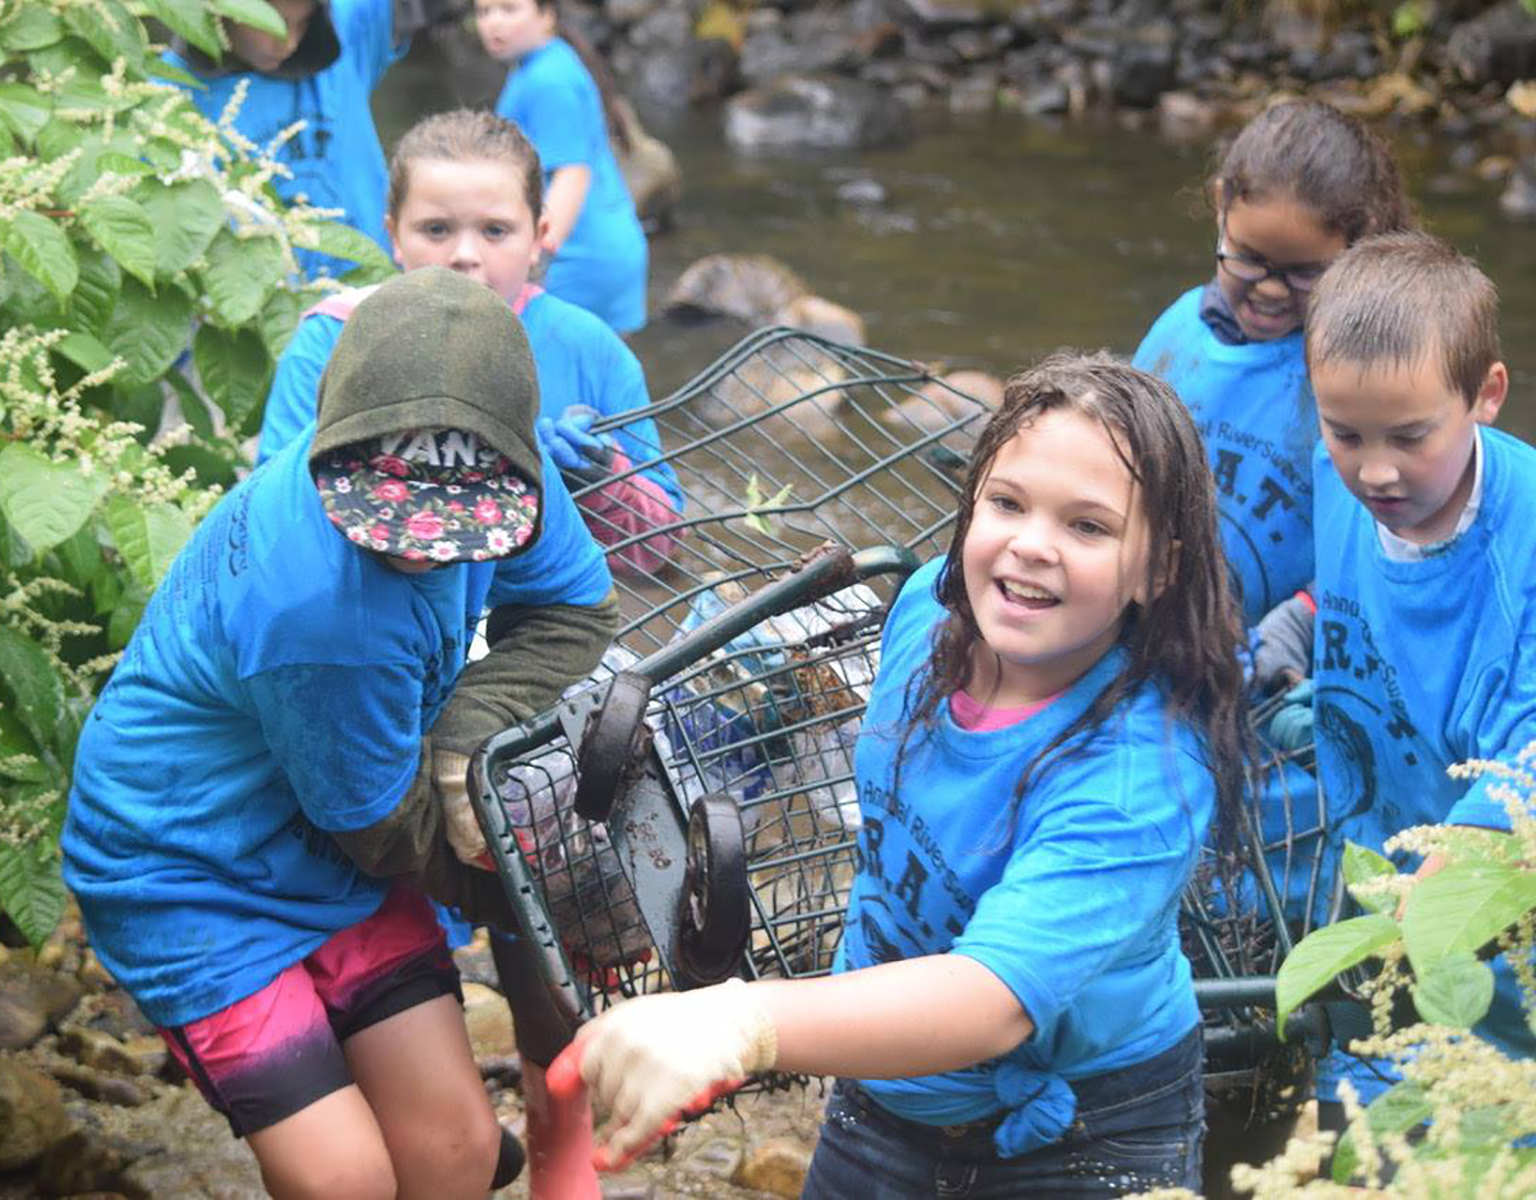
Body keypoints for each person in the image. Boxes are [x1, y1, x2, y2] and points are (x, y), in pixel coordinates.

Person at [557, 353, 1252, 1197]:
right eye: (1007, 503)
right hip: (888, 1089)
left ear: (1159, 569)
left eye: (1088, 527)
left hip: (1082, 1132)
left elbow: (989, 998)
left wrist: (743, 1022)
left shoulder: (1144, 774)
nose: (1031, 546)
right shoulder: (929, 606)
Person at [62, 269, 619, 1199]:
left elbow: (574, 608)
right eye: (390, 511)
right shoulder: (318, 611)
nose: (422, 545)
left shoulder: (504, 471)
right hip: (182, 865)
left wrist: (463, 734)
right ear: (331, 442)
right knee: (344, 1180)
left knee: (457, 1152)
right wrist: (558, 896)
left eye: (459, 524)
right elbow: (385, 834)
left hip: (328, 847)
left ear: (514, 458)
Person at [1288, 230, 1535, 1126]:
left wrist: (1415, 916)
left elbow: (1526, 775)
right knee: (1351, 1131)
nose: (1375, 469)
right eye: (1344, 431)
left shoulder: (1523, 555)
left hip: (1494, 940)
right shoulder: (1339, 475)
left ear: (1487, 396)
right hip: (1373, 885)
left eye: (1410, 437)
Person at [257, 109, 683, 578]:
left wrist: (602, 482)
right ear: (394, 235)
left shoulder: (591, 350)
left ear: (540, 236)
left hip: (530, 617)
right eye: (436, 230)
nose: (464, 256)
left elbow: (659, 552)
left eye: (495, 231)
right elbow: (274, 523)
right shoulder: (330, 342)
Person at [1133, 98, 1412, 627]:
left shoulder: (1365, 374)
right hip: (1147, 620)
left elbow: (1393, 540)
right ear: (1221, 208)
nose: (1270, 288)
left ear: (1360, 242)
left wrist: (1302, 623)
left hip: (1279, 647)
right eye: (1248, 257)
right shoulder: (1178, 331)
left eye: (1305, 272)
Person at [167, 0, 423, 279]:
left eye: (302, 23)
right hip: (267, 308)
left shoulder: (342, 39)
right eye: (273, 23)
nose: (288, 42)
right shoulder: (168, 97)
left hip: (370, 295)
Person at [475, 0, 649, 333]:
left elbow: (572, 175)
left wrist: (533, 259)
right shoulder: (543, 64)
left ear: (546, 15)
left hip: (580, 258)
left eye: (509, 9)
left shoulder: (547, 80)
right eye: (484, 12)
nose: (493, 23)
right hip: (604, 246)